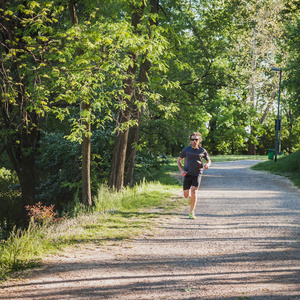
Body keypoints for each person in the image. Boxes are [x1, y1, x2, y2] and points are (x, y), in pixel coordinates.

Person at [177, 132, 211, 219]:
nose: (194, 141)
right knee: (186, 195)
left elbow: (208, 161)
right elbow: (179, 160)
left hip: (197, 173)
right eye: (192, 139)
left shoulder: (202, 151)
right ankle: (190, 199)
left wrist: (207, 165)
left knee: (194, 191)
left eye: (196, 139)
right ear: (190, 141)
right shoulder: (186, 150)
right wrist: (181, 170)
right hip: (187, 173)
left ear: (199, 140)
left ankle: (191, 212)